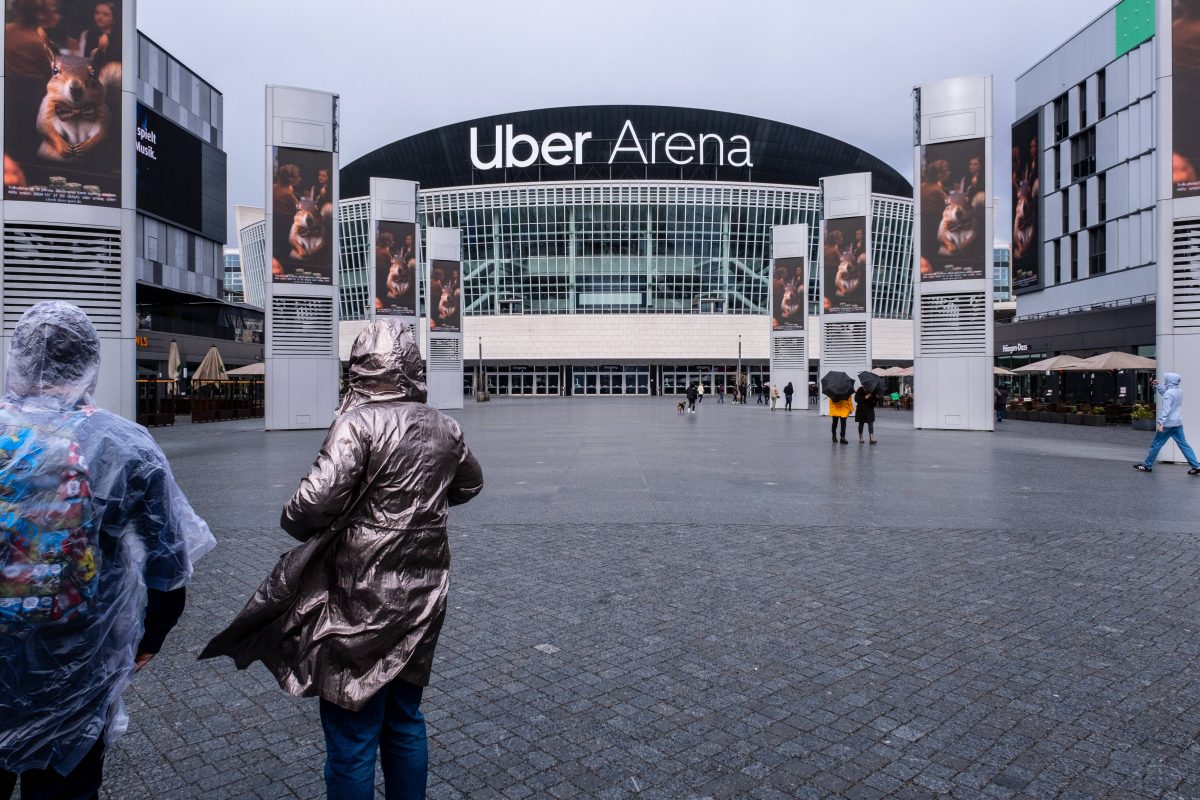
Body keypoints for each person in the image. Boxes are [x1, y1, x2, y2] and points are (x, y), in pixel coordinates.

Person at [202, 323, 482, 799]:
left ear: (361, 367)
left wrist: (299, 515)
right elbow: (470, 483)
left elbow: (309, 506)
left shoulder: (357, 422)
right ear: (411, 366)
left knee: (352, 726)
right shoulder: (444, 424)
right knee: (405, 716)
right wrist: (419, 506)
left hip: (360, 588)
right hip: (426, 584)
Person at [0, 302, 215, 798]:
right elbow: (168, 563)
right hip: (74, 659)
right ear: (89, 363)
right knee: (65, 786)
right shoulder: (124, 444)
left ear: (18, 358)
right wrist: (152, 637)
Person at [1134, 373, 1200, 474]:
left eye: (1166, 380)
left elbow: (1166, 409)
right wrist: (1157, 385)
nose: (1165, 381)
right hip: (1177, 423)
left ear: (1169, 381)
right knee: (1184, 445)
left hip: (1167, 425)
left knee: (1156, 444)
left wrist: (1161, 423)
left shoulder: (1169, 393)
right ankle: (1196, 466)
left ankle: (1147, 465)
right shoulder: (1179, 391)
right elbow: (1166, 393)